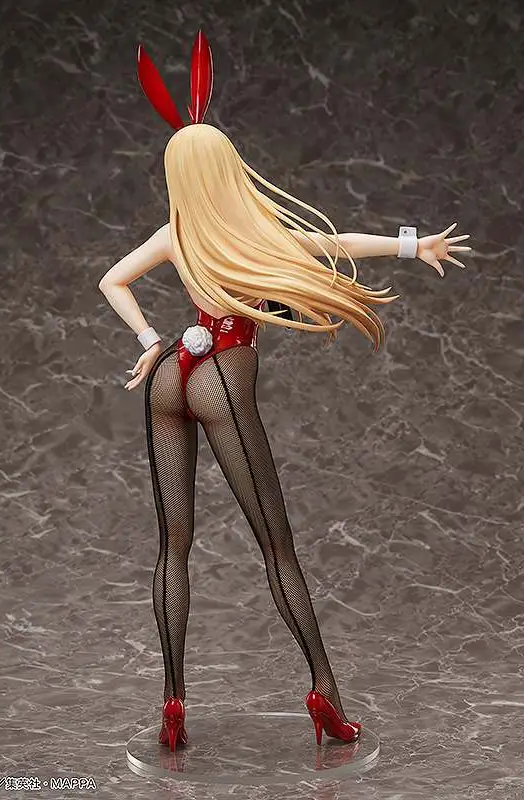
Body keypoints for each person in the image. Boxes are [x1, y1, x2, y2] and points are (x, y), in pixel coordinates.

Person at [98, 31, 471, 752]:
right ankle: (324, 693)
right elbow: (337, 244)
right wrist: (411, 244)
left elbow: (111, 280)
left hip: (173, 372)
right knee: (277, 548)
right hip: (220, 380)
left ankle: (173, 704)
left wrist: (149, 342)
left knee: (173, 547)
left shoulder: (176, 234)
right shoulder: (252, 230)